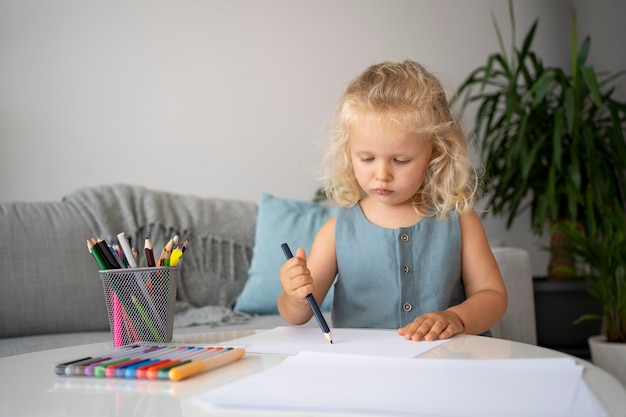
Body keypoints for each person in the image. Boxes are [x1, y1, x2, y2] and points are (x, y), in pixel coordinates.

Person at [278, 60, 507, 342]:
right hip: (368, 371)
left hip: (449, 364)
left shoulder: (459, 219)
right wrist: (294, 295)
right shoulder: (336, 232)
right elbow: (297, 315)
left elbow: (493, 296)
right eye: (367, 158)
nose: (382, 174)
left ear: (434, 153)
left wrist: (456, 319)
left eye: (400, 160)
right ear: (349, 152)